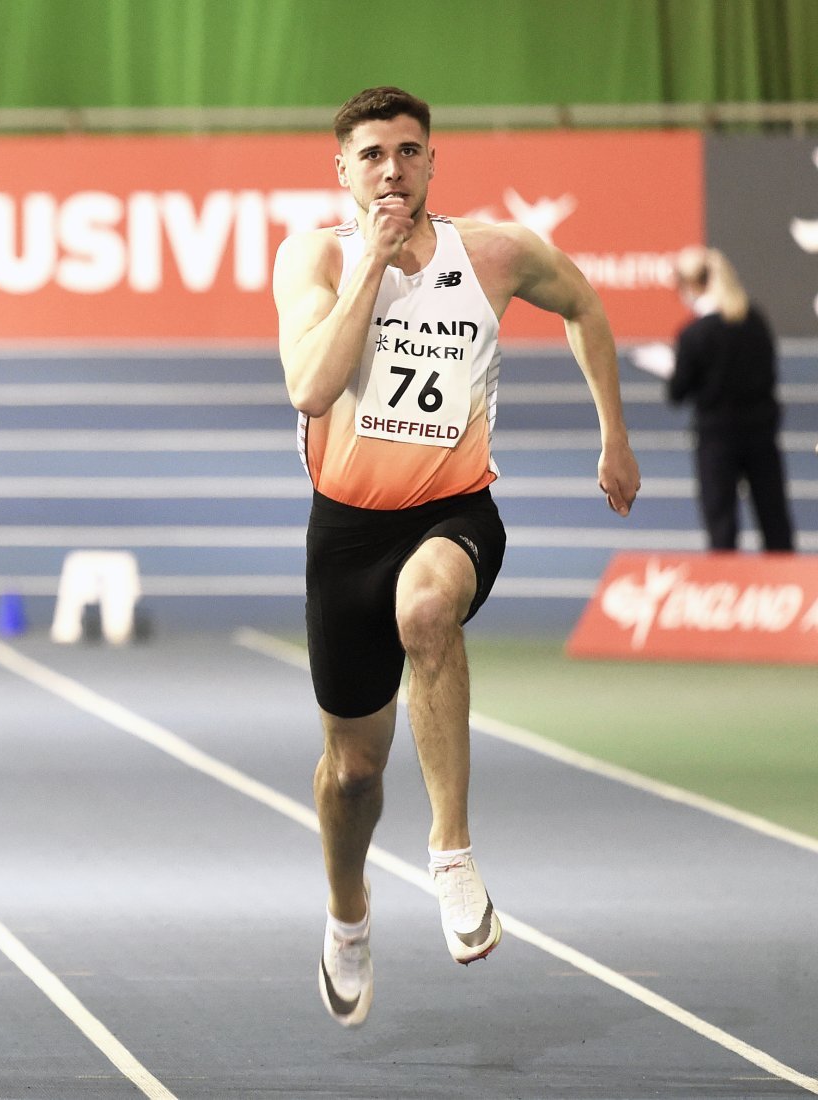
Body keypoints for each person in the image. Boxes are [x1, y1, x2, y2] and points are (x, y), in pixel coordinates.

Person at [271, 87, 639, 1028]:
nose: (392, 169)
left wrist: (614, 435)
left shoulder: (494, 255)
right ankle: (347, 915)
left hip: (454, 509)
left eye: (409, 151)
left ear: (434, 161)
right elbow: (313, 388)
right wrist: (373, 268)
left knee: (428, 608)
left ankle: (452, 851)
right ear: (343, 171)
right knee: (351, 774)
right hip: (346, 530)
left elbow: (585, 305)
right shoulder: (314, 256)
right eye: (372, 155)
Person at [668, 247, 795, 552]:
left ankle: (729, 586)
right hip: (761, 434)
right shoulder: (754, 320)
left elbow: (677, 392)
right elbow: (770, 374)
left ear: (691, 285)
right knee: (775, 523)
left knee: (721, 529)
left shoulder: (694, 335)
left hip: (717, 439)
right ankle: (787, 588)